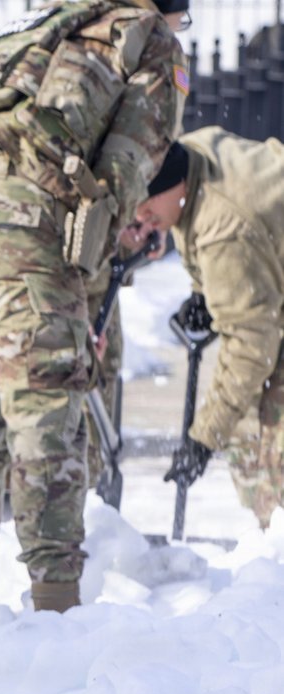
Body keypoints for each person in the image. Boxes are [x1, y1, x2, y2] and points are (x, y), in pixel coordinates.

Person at [0, 0, 189, 612]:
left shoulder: (43, 26)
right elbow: (121, 176)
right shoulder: (148, 37)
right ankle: (56, 611)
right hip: (18, 210)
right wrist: (84, 302)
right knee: (45, 412)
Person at [124, 130, 284, 528]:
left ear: (175, 185)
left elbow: (251, 348)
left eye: (148, 206)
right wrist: (204, 292)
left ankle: (274, 550)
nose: (142, 217)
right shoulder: (192, 153)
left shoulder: (223, 228)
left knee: (265, 448)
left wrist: (202, 438)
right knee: (248, 426)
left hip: (262, 314)